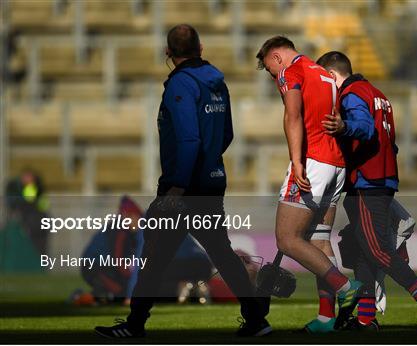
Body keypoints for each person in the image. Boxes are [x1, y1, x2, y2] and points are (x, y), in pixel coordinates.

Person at [95, 24, 270, 339]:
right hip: (211, 182)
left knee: (155, 256)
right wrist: (209, 165)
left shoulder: (181, 85)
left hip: (183, 188)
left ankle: (134, 325)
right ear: (200, 48)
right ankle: (257, 317)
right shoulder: (217, 82)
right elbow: (226, 134)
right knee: (221, 253)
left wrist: (177, 186)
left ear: (167, 52)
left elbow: (189, 139)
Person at [316, 51, 417, 330]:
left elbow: (364, 129)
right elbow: (389, 142)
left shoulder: (350, 94)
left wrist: (343, 126)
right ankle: (366, 319)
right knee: (360, 249)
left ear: (330, 75)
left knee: (377, 250)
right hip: (382, 179)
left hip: (367, 183)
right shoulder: (377, 94)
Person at [256, 36, 363, 331]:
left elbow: (293, 115)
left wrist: (297, 161)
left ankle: (344, 286)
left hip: (313, 162)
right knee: (318, 239)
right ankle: (327, 318)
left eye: (269, 69)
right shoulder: (323, 72)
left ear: (277, 58)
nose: (272, 75)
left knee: (287, 238)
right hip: (336, 165)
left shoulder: (290, 72)